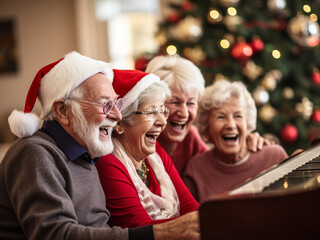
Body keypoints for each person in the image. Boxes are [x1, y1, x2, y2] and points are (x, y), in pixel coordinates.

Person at [0, 51, 199, 240]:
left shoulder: (86, 155)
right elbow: (55, 234)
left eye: (116, 104)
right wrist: (160, 234)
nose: (117, 115)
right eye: (105, 105)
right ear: (62, 110)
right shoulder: (35, 153)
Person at [96, 69, 199, 229]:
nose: (162, 122)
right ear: (120, 124)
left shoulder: (155, 153)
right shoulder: (108, 162)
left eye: (162, 111)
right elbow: (142, 229)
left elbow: (189, 206)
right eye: (151, 112)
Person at [145, 55, 272, 175]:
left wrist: (245, 143)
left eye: (191, 103)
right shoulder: (137, 140)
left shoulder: (190, 139)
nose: (184, 113)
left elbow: (215, 163)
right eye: (174, 102)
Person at [182, 79, 289, 203]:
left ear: (248, 124)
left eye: (238, 116)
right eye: (220, 117)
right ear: (206, 130)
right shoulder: (196, 170)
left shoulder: (274, 157)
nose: (231, 125)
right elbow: (189, 220)